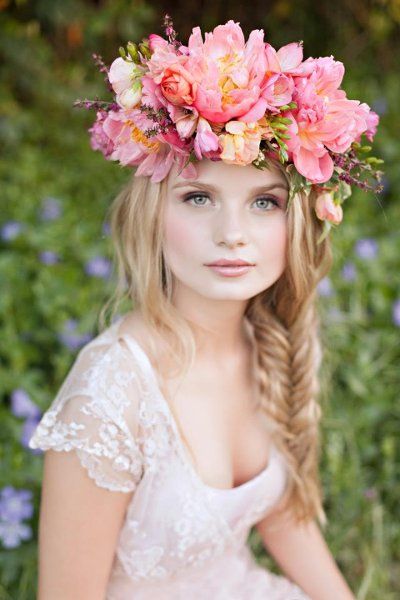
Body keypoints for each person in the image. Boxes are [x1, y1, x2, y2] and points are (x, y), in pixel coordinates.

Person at [29, 15, 383, 600]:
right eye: (199, 197)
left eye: (264, 203)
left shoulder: (266, 340)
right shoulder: (109, 399)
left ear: (297, 218)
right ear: (151, 213)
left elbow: (282, 516)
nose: (233, 234)